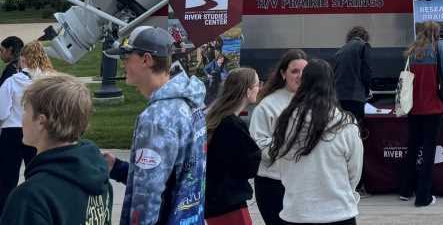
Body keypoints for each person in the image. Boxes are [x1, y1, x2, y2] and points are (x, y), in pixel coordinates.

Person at [103, 26, 207, 225]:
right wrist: (117, 168)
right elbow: (174, 174)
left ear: (146, 59)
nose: (123, 64)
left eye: (126, 57)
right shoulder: (191, 102)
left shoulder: (157, 118)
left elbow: (147, 195)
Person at [0, 73, 112, 225]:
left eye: (25, 110)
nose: (22, 118)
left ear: (41, 122)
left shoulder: (30, 199)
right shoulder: (100, 180)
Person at [269, 59, 363, 225]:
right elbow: (354, 171)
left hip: (296, 212)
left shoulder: (284, 122)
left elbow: (281, 164)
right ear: (331, 85)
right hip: (339, 212)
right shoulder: (345, 124)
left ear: (303, 83)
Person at [250, 48, 308, 225]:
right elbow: (258, 145)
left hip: (302, 183)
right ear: (283, 74)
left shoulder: (312, 101)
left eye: (304, 71)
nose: (300, 76)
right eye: (294, 71)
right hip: (273, 184)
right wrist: (292, 144)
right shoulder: (267, 105)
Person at [0, 41, 53, 212]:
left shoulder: (11, 82)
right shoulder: (49, 82)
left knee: (7, 178)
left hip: (11, 132)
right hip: (39, 132)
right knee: (37, 174)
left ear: (23, 60)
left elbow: (2, 112)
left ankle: (5, 213)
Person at [205, 67, 262, 225]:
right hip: (229, 204)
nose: (259, 88)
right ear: (248, 90)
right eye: (258, 84)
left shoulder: (218, 118)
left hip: (215, 202)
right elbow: (249, 166)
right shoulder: (232, 124)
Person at [399, 21, 443, 207]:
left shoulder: (411, 52)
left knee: (412, 148)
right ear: (435, 33)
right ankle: (423, 197)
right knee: (428, 152)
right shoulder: (438, 49)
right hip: (433, 108)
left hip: (413, 108)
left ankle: (405, 190)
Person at [335, 27, 372, 193]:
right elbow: (366, 71)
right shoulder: (363, 46)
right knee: (356, 140)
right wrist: (367, 89)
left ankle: (343, 179)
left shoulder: (340, 50)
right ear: (364, 36)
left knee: (342, 138)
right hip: (356, 98)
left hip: (339, 99)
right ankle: (358, 182)